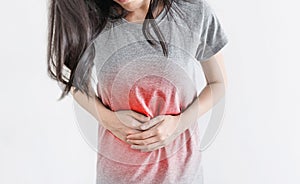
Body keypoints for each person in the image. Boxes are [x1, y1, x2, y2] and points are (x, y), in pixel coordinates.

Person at [47, 0, 229, 183]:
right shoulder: (95, 19)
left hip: (181, 176)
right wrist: (109, 120)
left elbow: (217, 83)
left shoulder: (194, 13)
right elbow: (71, 80)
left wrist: (178, 124)